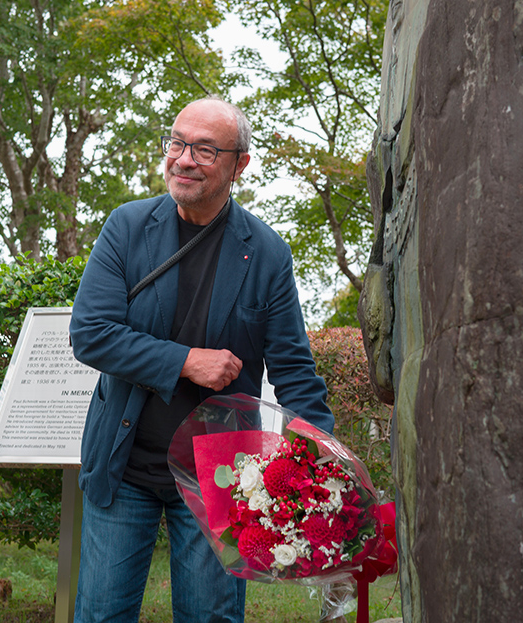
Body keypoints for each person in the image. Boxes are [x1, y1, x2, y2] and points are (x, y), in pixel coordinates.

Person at [69, 95, 333, 623]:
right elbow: (90, 334)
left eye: (206, 150)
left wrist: (327, 466)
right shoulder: (126, 227)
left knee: (211, 618)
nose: (184, 158)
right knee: (100, 615)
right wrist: (187, 361)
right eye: (177, 142)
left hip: (220, 478)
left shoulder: (267, 253)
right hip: (124, 466)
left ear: (240, 165)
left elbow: (293, 369)